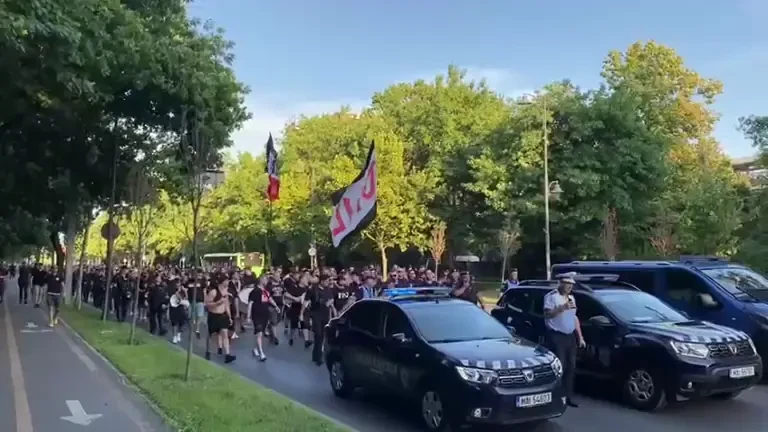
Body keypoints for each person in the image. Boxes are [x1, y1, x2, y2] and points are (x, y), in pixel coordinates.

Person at [543, 272, 585, 408]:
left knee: (571, 367)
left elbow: (574, 318)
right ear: (561, 283)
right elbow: (547, 315)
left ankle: (567, 396)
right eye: (567, 284)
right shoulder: (551, 297)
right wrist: (562, 308)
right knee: (559, 366)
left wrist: (580, 336)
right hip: (557, 336)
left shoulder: (572, 298)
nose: (569, 288)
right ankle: (555, 396)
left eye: (571, 285)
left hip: (570, 336)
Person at [204, 275, 235, 363]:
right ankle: (208, 351)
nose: (228, 282)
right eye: (227, 280)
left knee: (225, 334)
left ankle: (228, 355)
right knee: (211, 334)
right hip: (213, 316)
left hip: (223, 316)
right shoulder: (214, 292)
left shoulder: (226, 292)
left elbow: (227, 305)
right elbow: (207, 304)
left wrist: (229, 317)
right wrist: (217, 303)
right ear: (223, 281)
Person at [247, 276, 279, 361]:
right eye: (264, 279)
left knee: (259, 333)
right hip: (257, 315)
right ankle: (261, 353)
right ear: (260, 281)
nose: (266, 281)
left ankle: (255, 349)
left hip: (265, 314)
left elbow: (270, 299)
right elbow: (250, 304)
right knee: (259, 333)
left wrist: (275, 306)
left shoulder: (265, 291)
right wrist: (248, 316)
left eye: (266, 279)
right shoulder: (254, 292)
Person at [304, 274, 334, 366]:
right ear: (321, 281)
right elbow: (306, 301)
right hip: (316, 314)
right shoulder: (313, 289)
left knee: (322, 336)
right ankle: (319, 357)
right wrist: (304, 314)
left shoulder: (328, 290)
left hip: (325, 315)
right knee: (318, 334)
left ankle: (315, 355)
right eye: (326, 281)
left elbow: (332, 299)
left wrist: (330, 303)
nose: (328, 283)